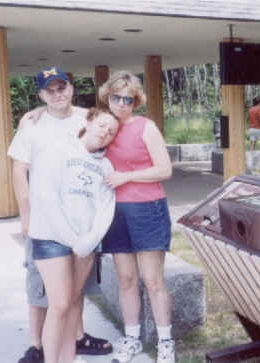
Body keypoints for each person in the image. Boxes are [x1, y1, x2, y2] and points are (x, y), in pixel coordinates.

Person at [8, 67, 113, 363]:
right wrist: (25, 213)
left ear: (71, 88)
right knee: (45, 292)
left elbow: (107, 124)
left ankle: (74, 344)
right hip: (46, 224)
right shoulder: (32, 126)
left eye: (62, 87)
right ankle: (37, 346)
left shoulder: (85, 119)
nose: (57, 94)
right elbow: (19, 169)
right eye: (49, 90)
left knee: (72, 297)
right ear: (41, 94)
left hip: (80, 224)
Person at [97, 70, 175, 363]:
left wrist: (125, 177)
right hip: (114, 212)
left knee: (153, 280)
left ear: (136, 101)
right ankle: (131, 338)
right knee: (127, 280)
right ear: (108, 97)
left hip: (147, 209)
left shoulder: (145, 126)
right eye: (116, 97)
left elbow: (165, 170)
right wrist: (37, 116)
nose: (121, 103)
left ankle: (166, 343)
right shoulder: (103, 126)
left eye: (128, 99)